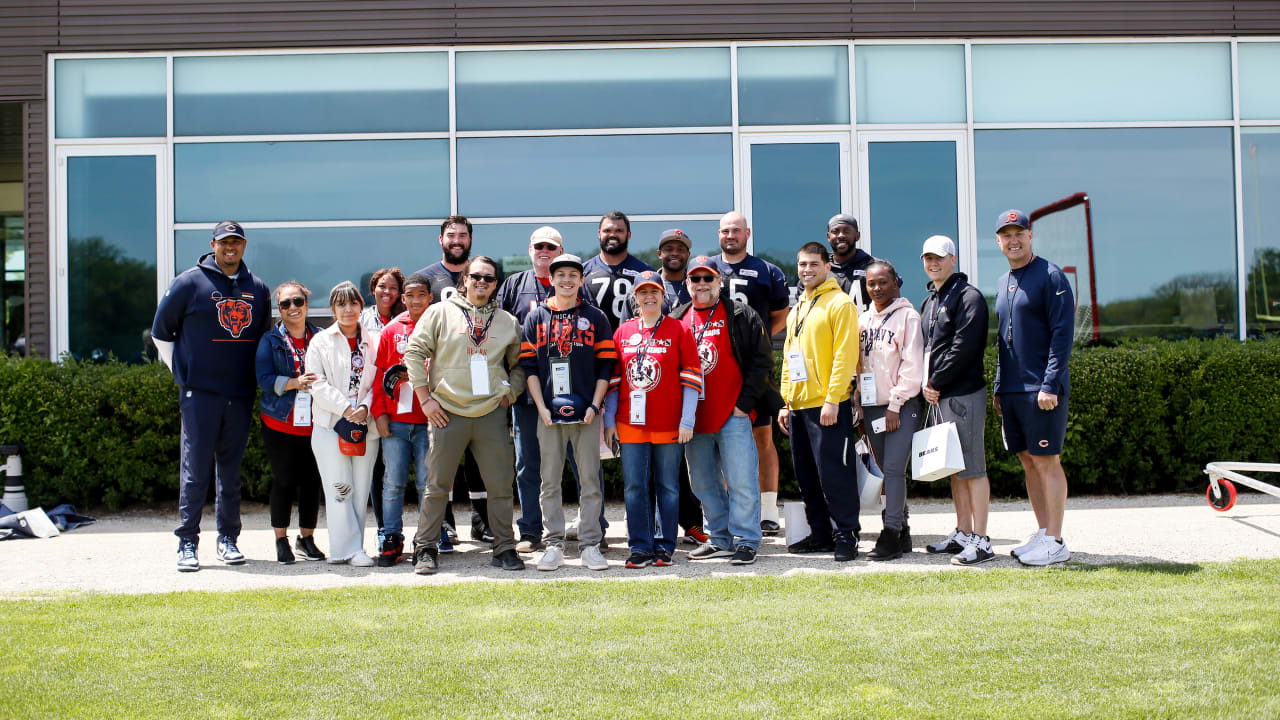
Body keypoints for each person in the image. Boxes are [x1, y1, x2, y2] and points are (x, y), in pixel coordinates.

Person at [152, 220, 271, 572]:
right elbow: (161, 333)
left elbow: (262, 340)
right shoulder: (189, 282)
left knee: (231, 472)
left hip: (239, 392)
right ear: (213, 245)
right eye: (224, 242)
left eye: (236, 242)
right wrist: (183, 374)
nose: (230, 248)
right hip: (200, 394)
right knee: (195, 470)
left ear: (244, 246)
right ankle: (187, 542)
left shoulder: (258, 288)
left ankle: (228, 539)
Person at [405, 256, 527, 574]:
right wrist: (425, 400)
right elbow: (414, 353)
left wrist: (509, 393)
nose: (482, 282)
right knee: (437, 486)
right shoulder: (440, 312)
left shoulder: (506, 322)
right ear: (466, 279)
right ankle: (426, 547)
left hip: (489, 413)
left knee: (500, 486)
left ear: (496, 284)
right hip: (447, 411)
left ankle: (504, 547)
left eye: (489, 278)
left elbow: (520, 365)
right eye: (477, 276)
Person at [670, 256, 782, 566]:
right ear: (687, 284)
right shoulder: (678, 318)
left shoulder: (740, 314)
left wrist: (743, 406)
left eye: (708, 278)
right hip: (695, 419)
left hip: (733, 415)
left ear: (720, 282)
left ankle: (746, 539)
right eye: (696, 279)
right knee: (702, 482)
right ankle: (718, 538)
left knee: (742, 479)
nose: (702, 284)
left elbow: (762, 362)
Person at [498, 226, 594, 553]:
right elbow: (500, 333)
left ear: (560, 251)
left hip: (574, 394)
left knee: (581, 462)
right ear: (530, 250)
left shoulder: (579, 286)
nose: (544, 251)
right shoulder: (514, 285)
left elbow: (593, 333)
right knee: (528, 463)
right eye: (539, 246)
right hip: (529, 393)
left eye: (551, 247)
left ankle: (593, 527)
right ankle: (530, 530)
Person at [519, 253, 616, 571]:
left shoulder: (596, 317)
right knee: (549, 481)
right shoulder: (537, 317)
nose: (566, 280)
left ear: (581, 279)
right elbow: (529, 367)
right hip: (548, 413)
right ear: (551, 278)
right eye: (560, 274)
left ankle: (590, 543)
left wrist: (594, 406)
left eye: (573, 274)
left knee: (590, 480)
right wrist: (541, 408)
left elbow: (606, 366)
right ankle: (553, 543)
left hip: (587, 413)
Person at [603, 271, 702, 569]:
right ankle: (640, 546)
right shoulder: (623, 332)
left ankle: (665, 545)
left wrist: (687, 420)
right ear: (635, 297)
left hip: (670, 423)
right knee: (635, 487)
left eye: (654, 292)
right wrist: (609, 421)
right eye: (643, 292)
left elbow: (691, 378)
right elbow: (614, 381)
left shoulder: (679, 329)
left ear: (663, 296)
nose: (649, 297)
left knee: (668, 487)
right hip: (630, 423)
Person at [993, 209, 1075, 567]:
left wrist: (1050, 383)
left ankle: (1055, 541)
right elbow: (1002, 340)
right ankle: (1043, 533)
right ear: (999, 241)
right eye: (1006, 235)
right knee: (1028, 462)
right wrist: (999, 386)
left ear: (1030, 236)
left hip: (1042, 389)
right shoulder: (1003, 281)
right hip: (1013, 390)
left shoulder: (1051, 275)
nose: (1013, 240)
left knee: (1047, 462)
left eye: (1019, 233)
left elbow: (1062, 336)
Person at [778, 242, 861, 562]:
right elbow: (788, 357)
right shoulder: (798, 306)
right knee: (807, 477)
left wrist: (833, 400)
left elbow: (845, 355)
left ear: (828, 266)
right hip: (798, 406)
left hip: (828, 405)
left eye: (813, 264)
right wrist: (785, 402)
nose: (807, 270)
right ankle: (821, 534)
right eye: (802, 265)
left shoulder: (839, 303)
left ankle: (846, 535)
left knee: (834, 474)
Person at [413, 215, 492, 543]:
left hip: (479, 379)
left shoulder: (483, 275)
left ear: (470, 241)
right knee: (442, 458)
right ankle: (443, 522)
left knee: (478, 457)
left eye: (462, 235)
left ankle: (481, 520)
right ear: (441, 239)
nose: (457, 240)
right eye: (451, 235)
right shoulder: (428, 278)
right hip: (442, 382)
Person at [712, 211, 789, 537]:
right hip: (717, 366)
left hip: (754, 368)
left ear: (747, 233)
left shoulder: (766, 270)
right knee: (724, 441)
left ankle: (768, 512)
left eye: (736, 230)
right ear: (719, 234)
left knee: (762, 437)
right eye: (725, 231)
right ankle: (736, 511)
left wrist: (754, 343)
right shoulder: (708, 269)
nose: (731, 235)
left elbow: (781, 314)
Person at [919, 235, 995, 565]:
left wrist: (936, 380)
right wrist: (926, 383)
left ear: (954, 259)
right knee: (955, 467)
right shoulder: (932, 300)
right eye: (927, 258)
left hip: (963, 393)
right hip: (939, 395)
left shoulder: (969, 297)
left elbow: (964, 348)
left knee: (973, 468)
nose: (932, 263)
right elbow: (927, 349)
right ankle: (963, 532)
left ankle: (981, 539)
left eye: (939, 257)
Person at [305, 281, 381, 566]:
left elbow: (379, 381)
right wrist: (346, 408)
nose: (348, 310)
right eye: (341, 304)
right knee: (340, 488)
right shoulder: (321, 341)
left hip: (365, 425)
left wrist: (364, 407)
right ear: (333, 308)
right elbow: (316, 383)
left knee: (360, 490)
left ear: (361, 306)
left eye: (353, 303)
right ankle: (343, 550)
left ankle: (354, 547)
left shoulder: (374, 339)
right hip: (330, 425)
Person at [857, 260, 925, 561]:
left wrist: (896, 404)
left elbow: (912, 366)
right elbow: (860, 365)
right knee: (887, 471)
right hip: (872, 407)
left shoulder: (908, 317)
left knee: (895, 470)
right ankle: (904, 529)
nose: (876, 288)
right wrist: (859, 403)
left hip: (900, 407)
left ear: (896, 282)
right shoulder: (863, 320)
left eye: (883, 282)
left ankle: (891, 532)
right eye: (871, 283)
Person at [255, 281, 326, 564]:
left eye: (297, 302)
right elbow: (264, 380)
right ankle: (281, 539)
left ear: (307, 304)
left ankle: (306, 538)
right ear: (279, 309)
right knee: (283, 481)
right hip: (280, 423)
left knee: (312, 482)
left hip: (316, 421)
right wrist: (295, 383)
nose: (292, 308)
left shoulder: (321, 337)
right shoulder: (270, 341)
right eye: (285, 304)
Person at [370, 273, 436, 567]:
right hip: (396, 421)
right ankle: (391, 537)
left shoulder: (440, 328)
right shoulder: (392, 330)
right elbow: (378, 376)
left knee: (426, 483)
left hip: (428, 420)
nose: (416, 301)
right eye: (410, 295)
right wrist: (380, 413)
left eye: (422, 295)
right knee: (393, 483)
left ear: (430, 297)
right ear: (403, 298)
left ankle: (425, 540)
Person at [358, 267, 404, 544]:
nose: (387, 292)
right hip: (370, 400)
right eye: (382, 286)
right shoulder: (361, 319)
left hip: (401, 401)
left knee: (397, 468)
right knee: (375, 469)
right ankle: (383, 529)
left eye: (393, 287)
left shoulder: (405, 320)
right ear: (373, 288)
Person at [583, 210, 655, 332]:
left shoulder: (645, 273)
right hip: (593, 347)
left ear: (629, 235)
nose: (612, 235)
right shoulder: (583, 272)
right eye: (607, 231)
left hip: (633, 345)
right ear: (599, 233)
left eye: (619, 231)